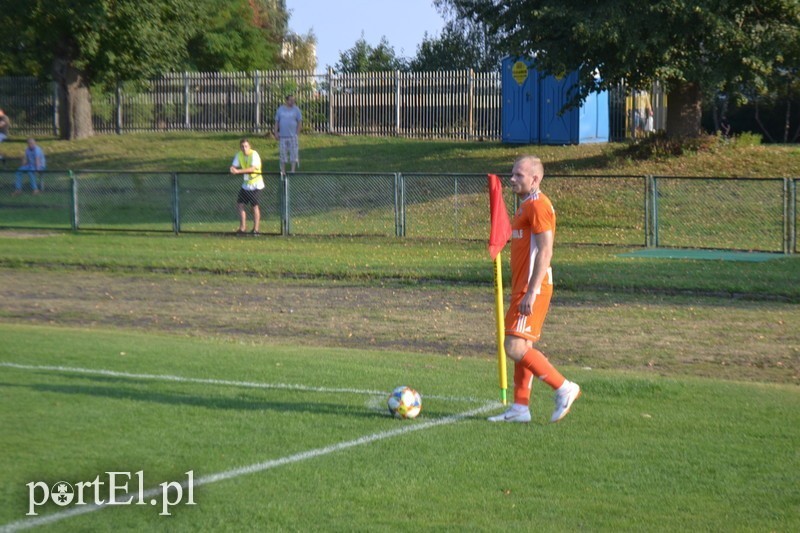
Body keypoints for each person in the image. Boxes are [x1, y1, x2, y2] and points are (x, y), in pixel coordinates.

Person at [488, 155, 581, 424]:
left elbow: (546, 250)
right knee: (522, 345)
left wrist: (532, 290)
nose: (512, 179)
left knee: (514, 347)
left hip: (533, 287)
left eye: (519, 175)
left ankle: (564, 387)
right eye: (512, 174)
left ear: (535, 179)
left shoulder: (539, 205)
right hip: (523, 286)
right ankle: (520, 408)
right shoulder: (524, 206)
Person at [229, 138, 263, 235]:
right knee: (240, 205)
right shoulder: (239, 155)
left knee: (254, 206)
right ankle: (242, 228)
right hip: (246, 185)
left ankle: (256, 229)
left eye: (246, 146)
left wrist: (238, 171)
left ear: (249, 146)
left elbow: (252, 169)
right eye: (242, 146)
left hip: (256, 184)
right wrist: (232, 168)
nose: (244, 148)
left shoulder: (254, 154)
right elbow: (234, 166)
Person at [273, 95, 302, 174]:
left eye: (293, 100)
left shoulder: (296, 109)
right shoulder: (280, 109)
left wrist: (297, 133)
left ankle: (292, 170)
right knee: (283, 154)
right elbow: (277, 121)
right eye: (290, 100)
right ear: (286, 101)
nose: (292, 102)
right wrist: (276, 132)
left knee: (293, 153)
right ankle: (283, 170)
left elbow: (299, 122)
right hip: (282, 136)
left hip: (293, 136)